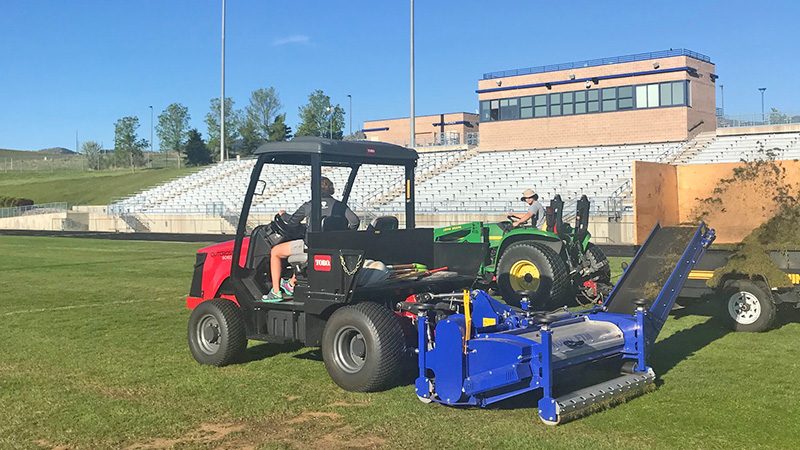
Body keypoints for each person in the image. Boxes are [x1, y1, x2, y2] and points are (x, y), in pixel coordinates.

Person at [262, 176, 360, 302]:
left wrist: (283, 214)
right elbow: (355, 222)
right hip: (334, 248)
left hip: (312, 247)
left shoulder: (309, 206)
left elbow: (292, 223)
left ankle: (275, 292)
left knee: (275, 251)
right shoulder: (340, 206)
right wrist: (344, 235)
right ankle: (291, 283)